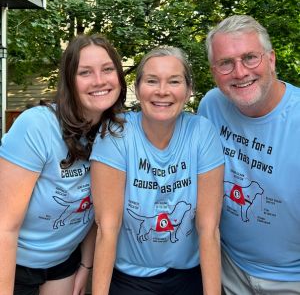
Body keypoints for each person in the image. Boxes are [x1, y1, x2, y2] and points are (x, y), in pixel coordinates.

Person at [90, 46, 224, 295]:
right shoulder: (117, 134)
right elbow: (107, 228)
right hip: (130, 279)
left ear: (188, 90)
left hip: (188, 276)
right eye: (152, 81)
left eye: (174, 81)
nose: (162, 91)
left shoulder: (202, 133)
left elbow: (209, 230)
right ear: (137, 88)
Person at [0, 33, 127, 295]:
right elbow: (5, 225)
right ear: (69, 80)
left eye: (107, 69)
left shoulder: (116, 133)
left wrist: (85, 266)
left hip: (62, 263)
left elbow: (98, 213)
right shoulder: (37, 126)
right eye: (85, 73)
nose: (99, 81)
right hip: (13, 260)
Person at [198, 15, 300, 294]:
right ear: (213, 70)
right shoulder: (211, 106)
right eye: (226, 63)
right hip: (227, 267)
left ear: (271, 59)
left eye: (250, 57)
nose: (240, 72)